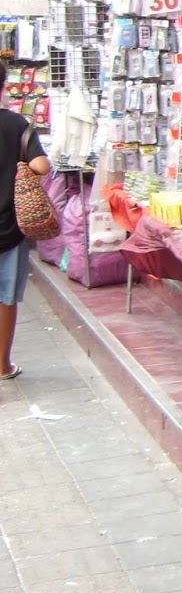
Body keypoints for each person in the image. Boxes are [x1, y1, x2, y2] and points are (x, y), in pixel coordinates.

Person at [0, 64, 51, 380]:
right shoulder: (16, 124)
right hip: (9, 226)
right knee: (6, 296)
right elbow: (42, 166)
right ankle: (2, 365)